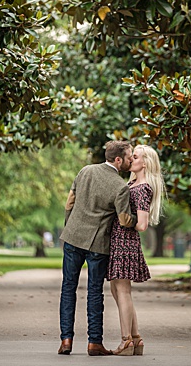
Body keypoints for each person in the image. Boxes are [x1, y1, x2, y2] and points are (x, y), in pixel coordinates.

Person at [58, 141, 137, 356]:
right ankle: (94, 343)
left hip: (73, 238)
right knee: (94, 292)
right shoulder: (120, 186)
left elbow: (70, 202)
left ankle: (66, 340)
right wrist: (137, 220)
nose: (131, 160)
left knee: (68, 288)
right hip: (98, 243)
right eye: (129, 156)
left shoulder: (85, 171)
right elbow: (124, 219)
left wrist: (70, 227)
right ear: (118, 160)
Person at [107, 145, 166, 355]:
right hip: (119, 241)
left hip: (125, 242)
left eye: (135, 156)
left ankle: (126, 341)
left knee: (123, 291)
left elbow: (142, 224)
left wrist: (125, 220)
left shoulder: (143, 188)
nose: (131, 159)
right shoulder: (132, 184)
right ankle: (136, 338)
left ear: (146, 163)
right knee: (117, 290)